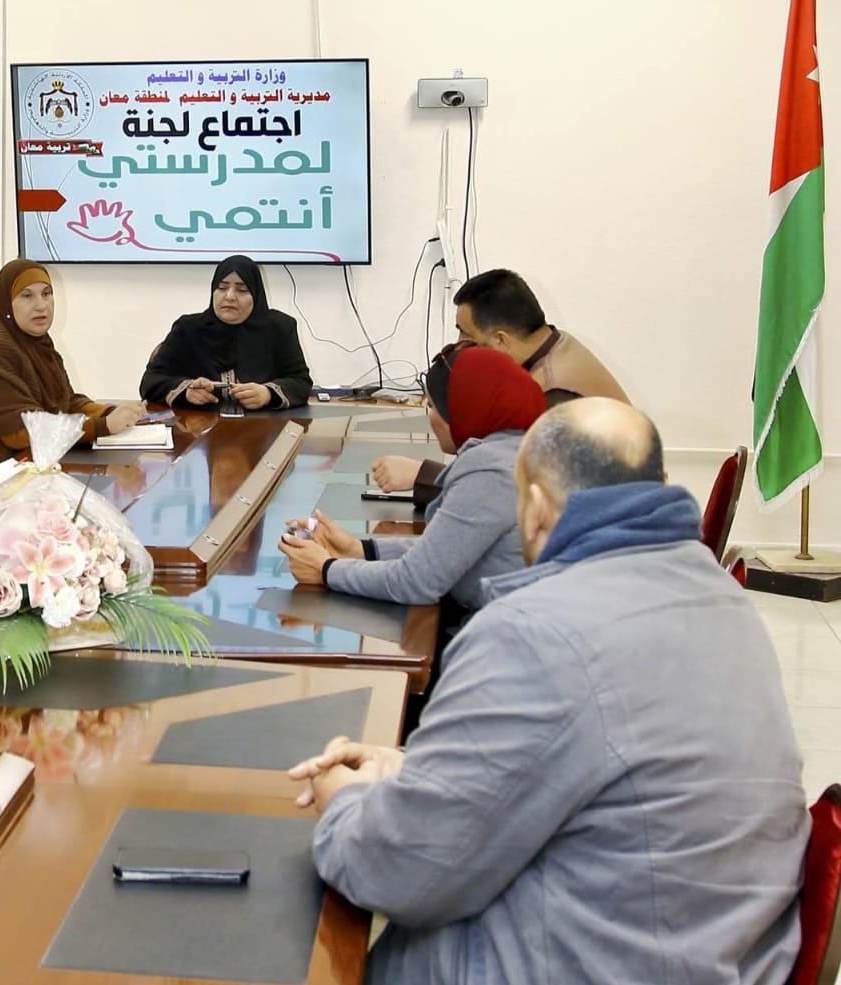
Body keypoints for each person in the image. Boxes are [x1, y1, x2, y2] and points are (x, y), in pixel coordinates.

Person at [290, 398, 808, 984]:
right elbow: (609, 755)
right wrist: (418, 770)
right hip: (711, 950)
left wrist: (343, 799)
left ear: (535, 508)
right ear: (658, 484)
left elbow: (397, 871)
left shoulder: (532, 632)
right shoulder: (725, 599)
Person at [280, 347, 543, 629]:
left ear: (461, 409)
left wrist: (326, 569)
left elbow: (416, 581)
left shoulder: (488, 470)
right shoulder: (518, 448)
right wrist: (360, 549)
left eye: (432, 406)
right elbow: (446, 549)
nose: (429, 417)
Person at [372, 268, 629, 505]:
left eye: (466, 335)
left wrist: (422, 474)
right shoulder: (553, 344)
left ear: (501, 340)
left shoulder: (552, 396)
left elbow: (509, 496)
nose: (459, 345)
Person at [0, 260, 142, 469]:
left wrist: (111, 412)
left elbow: (67, 402)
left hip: (27, 464)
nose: (41, 305)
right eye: (27, 296)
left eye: (46, 294)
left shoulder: (33, 341)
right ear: (6, 303)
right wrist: (103, 426)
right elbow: (24, 430)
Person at [138, 255, 314, 410]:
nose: (229, 296)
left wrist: (267, 393)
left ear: (256, 295)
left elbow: (301, 382)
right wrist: (187, 390)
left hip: (263, 428)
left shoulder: (280, 328)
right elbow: (151, 381)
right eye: (222, 287)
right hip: (198, 428)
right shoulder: (188, 329)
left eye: (242, 290)